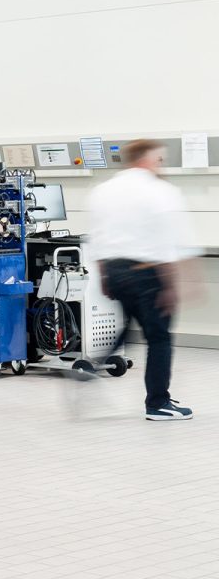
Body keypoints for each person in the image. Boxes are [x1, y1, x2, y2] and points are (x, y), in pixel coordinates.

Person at [84, 138, 201, 421]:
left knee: (129, 326)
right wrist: (173, 285)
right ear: (147, 160)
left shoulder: (104, 190)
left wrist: (104, 277)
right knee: (159, 337)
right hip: (147, 273)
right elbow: (171, 241)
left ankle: (88, 370)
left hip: (115, 270)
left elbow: (96, 236)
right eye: (159, 159)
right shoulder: (159, 191)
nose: (161, 165)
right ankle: (158, 403)